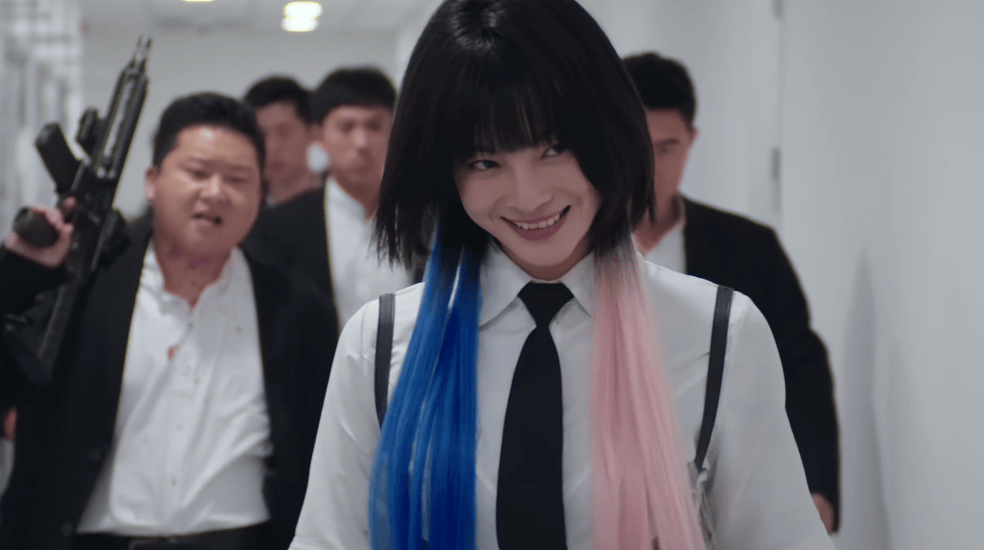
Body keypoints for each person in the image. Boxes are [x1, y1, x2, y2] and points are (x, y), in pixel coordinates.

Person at [287, 0, 834, 549]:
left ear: (609, 133)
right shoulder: (381, 343)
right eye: (484, 162)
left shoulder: (715, 333)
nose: (529, 197)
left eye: (554, 148)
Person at [0, 92, 338, 550]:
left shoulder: (298, 310)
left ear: (260, 195)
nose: (215, 192)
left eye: (238, 179)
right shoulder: (81, 283)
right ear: (152, 181)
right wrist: (14, 274)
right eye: (198, 173)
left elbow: (323, 460)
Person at [623, 51, 841, 532]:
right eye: (636, 146)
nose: (650, 168)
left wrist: (815, 484)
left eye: (667, 148)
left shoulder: (749, 247)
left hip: (721, 488)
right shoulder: (574, 251)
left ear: (692, 141)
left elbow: (799, 363)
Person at [245, 67, 416, 328]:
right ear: (318, 135)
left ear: (394, 130)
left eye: (374, 126)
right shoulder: (276, 227)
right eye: (346, 127)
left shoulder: (427, 219)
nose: (361, 142)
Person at [243, 76, 323, 205]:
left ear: (312, 132)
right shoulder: (244, 210)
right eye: (261, 135)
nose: (271, 147)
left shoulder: (340, 200)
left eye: (284, 132)